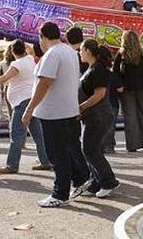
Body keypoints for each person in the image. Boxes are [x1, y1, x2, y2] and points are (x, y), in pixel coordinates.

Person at [21, 22, 89, 207]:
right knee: (65, 150)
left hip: (53, 112)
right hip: (68, 109)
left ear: (43, 37)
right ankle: (81, 179)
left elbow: (44, 83)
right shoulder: (68, 51)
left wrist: (29, 109)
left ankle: (60, 194)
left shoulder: (52, 54)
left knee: (56, 154)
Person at [0, 39, 51, 174]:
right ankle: (45, 160)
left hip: (21, 102)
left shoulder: (17, 64)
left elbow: (3, 78)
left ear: (12, 51)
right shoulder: (30, 59)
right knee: (37, 134)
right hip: (31, 100)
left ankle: (12, 165)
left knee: (16, 133)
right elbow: (30, 49)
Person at [77, 39, 120, 197]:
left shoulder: (98, 69)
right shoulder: (92, 68)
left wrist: (81, 107)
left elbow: (99, 94)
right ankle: (95, 182)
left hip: (98, 115)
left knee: (90, 149)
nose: (79, 52)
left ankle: (108, 181)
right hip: (92, 115)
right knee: (88, 148)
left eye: (81, 49)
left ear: (88, 50)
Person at [113, 31, 143, 152]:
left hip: (127, 89)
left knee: (130, 116)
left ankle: (132, 145)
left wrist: (119, 85)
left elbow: (115, 72)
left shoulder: (121, 54)